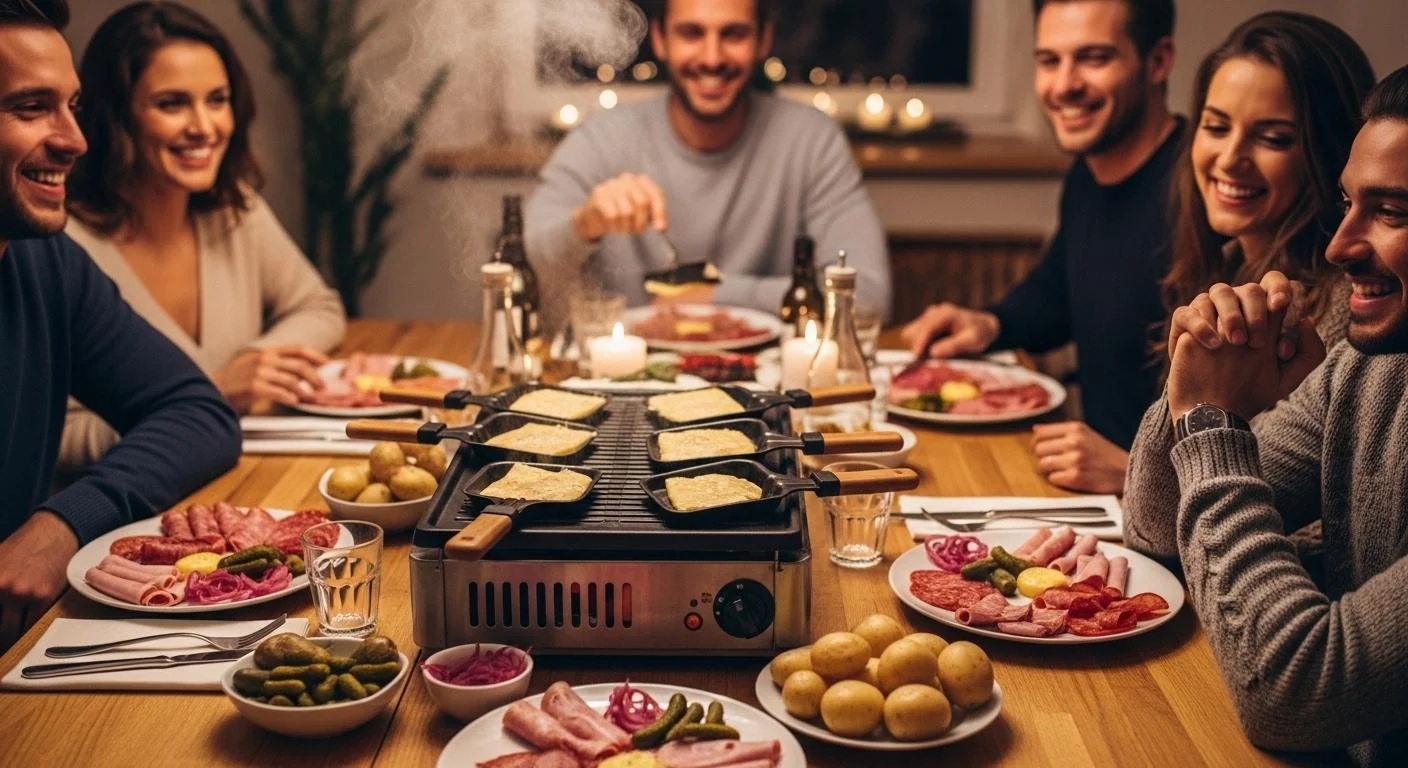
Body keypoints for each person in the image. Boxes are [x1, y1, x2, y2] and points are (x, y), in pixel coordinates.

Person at [1123, 64, 1408, 763]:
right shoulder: (1371, 366)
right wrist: (1189, 385)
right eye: (1348, 204)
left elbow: (1290, 692)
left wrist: (1209, 425)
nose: (1340, 247)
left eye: (1393, 211)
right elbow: (1154, 526)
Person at [0, 0, 241, 649]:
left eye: (71, 107)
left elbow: (198, 412)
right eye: (29, 108)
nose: (75, 140)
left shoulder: (47, 263)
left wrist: (60, 526)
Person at [901, 0, 1178, 494]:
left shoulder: (1210, 189)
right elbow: (1060, 293)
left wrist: (1135, 471)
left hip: (1165, 518)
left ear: (1158, 62)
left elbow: (1247, 422)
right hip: (1095, 495)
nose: (1064, 84)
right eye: (1049, 60)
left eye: (1093, 58)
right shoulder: (1089, 173)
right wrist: (989, 323)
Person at [61, 1, 345, 469]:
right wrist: (214, 391)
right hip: (127, 515)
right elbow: (62, 441)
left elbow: (320, 307)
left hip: (235, 480)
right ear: (115, 116)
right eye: (171, 103)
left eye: (217, 99)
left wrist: (257, 366)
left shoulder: (234, 208)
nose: (204, 127)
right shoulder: (64, 249)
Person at [525, 0, 890, 315]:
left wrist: (717, 295)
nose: (712, 58)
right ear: (660, 39)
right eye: (691, 33)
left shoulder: (812, 142)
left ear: (763, 40)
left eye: (733, 34)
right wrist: (584, 223)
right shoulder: (602, 139)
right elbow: (526, 268)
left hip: (767, 387)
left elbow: (870, 296)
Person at [1160, 11, 1375, 359]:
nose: (1230, 159)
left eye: (1273, 138)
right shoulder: (1224, 262)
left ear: (1331, 152)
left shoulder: (1340, 309)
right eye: (1216, 127)